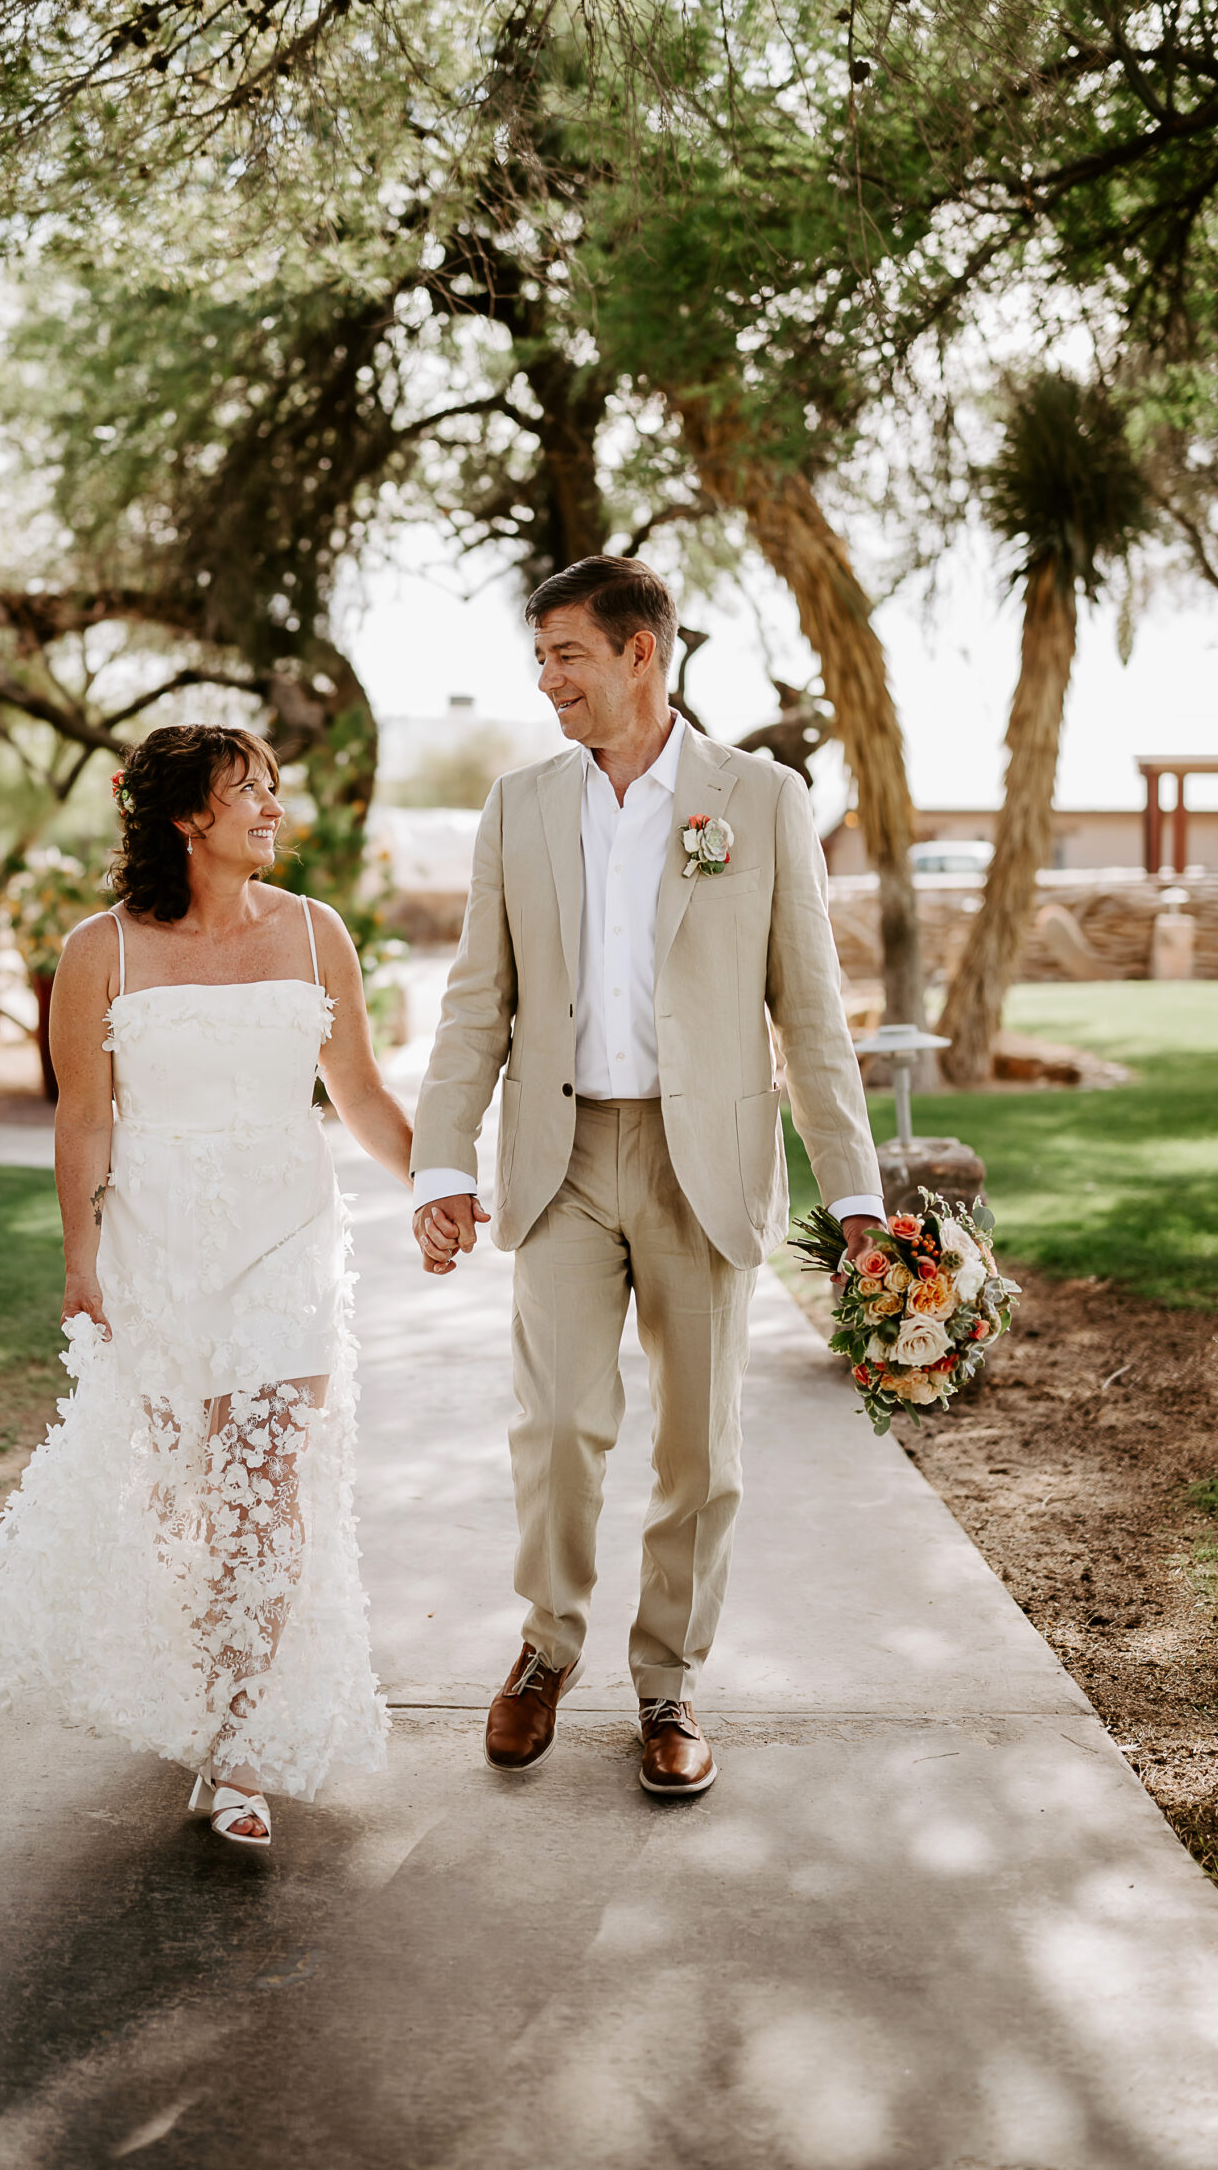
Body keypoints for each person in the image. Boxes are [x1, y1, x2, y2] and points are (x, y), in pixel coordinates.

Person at [411, 558, 883, 1798]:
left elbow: (813, 1015)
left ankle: (669, 1682)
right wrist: (439, 1163)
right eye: (539, 654)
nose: (546, 676)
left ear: (641, 655)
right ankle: (545, 1648)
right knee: (558, 1424)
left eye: (566, 651)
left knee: (699, 1451)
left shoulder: (760, 798)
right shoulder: (519, 806)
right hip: (560, 1162)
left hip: (704, 1168)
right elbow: (477, 1005)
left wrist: (858, 1199)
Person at [0, 725, 408, 1853]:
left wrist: (436, 1182)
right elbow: (82, 1114)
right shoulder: (104, 949)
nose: (275, 809)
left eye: (274, 789)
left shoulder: (315, 931)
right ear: (190, 816)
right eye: (253, 792)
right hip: (160, 1239)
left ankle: (238, 1743)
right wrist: (78, 1258)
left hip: (289, 1232)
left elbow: (363, 1093)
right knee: (181, 1494)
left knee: (266, 1483)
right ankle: (200, 1682)